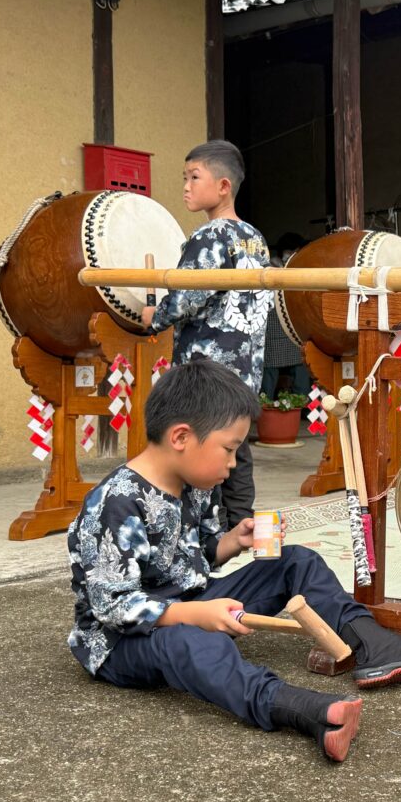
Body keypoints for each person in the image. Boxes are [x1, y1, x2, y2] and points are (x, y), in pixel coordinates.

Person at [67, 360, 401, 762]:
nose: (233, 463)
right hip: (121, 642)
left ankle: (373, 647)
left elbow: (197, 555)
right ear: (181, 437)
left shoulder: (195, 484)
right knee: (192, 642)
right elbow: (113, 606)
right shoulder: (116, 502)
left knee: (295, 562)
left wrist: (232, 542)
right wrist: (196, 615)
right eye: (229, 448)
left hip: (193, 603)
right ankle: (299, 708)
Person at [140, 140, 270, 530]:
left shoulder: (210, 236)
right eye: (184, 177)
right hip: (246, 365)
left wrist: (153, 316)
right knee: (236, 446)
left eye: (194, 177)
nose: (186, 186)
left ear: (224, 185)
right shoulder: (256, 239)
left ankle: (204, 529)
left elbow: (186, 298)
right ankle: (242, 524)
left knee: (202, 446)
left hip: (209, 368)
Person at [261, 233, 311, 400]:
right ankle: (264, 406)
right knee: (270, 369)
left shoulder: (298, 267)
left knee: (300, 366)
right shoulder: (268, 268)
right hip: (273, 325)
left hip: (292, 326)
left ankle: (301, 405)